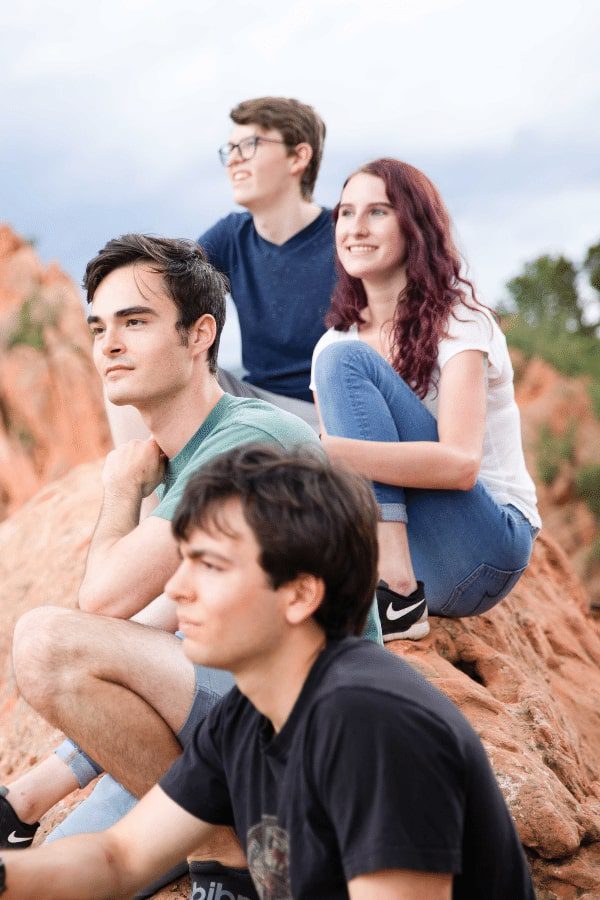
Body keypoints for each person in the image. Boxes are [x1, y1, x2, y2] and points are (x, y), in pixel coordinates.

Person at [0, 233, 371, 898]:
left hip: (312, 723)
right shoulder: (182, 465)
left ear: (201, 335)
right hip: (226, 730)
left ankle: (227, 855)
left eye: (134, 322)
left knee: (45, 643)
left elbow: (102, 608)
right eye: (99, 327)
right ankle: (208, 832)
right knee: (60, 871)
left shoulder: (247, 442)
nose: (109, 344)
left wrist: (120, 488)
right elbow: (140, 642)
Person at [0, 444, 536, 899]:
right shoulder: (248, 716)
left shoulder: (370, 722)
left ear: (301, 593)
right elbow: (119, 857)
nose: (178, 589)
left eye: (209, 566)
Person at [310, 158, 541, 642]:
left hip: (483, 546)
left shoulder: (461, 322)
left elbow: (460, 464)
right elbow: (357, 486)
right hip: (421, 558)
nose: (355, 228)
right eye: (346, 214)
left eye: (377, 212)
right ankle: (389, 587)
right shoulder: (334, 342)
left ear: (413, 226)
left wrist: (327, 451)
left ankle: (395, 593)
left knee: (342, 364)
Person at [107, 96, 333, 445]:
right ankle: (150, 499)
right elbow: (165, 286)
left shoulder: (345, 234)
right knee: (128, 371)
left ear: (298, 157)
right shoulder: (231, 235)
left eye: (251, 144)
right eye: (230, 149)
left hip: (329, 409)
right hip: (254, 401)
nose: (235, 159)